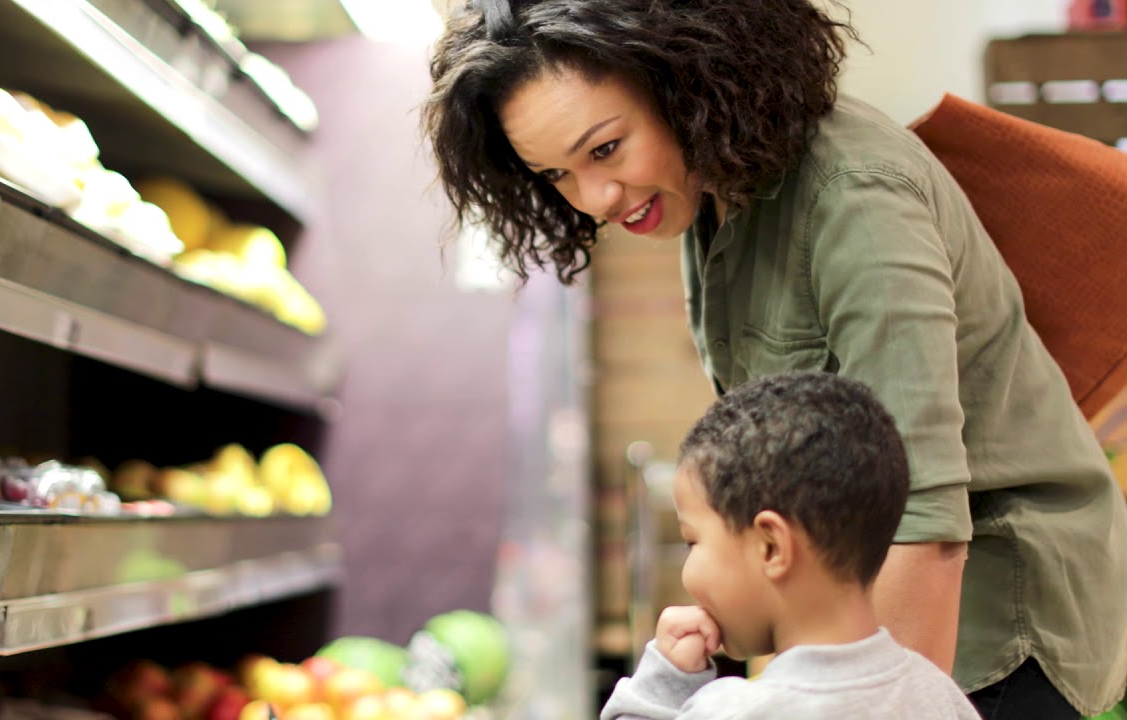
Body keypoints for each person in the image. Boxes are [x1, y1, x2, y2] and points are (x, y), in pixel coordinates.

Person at [421, 1, 1127, 718]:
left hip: (994, 622)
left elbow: (925, 515)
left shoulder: (854, 192)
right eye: (555, 175)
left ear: (682, 80)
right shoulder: (710, 196)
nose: (595, 197)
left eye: (605, 149)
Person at [601, 371, 981, 719]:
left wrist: (665, 683)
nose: (688, 574)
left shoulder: (733, 713)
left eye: (692, 542)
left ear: (771, 547)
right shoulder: (942, 699)